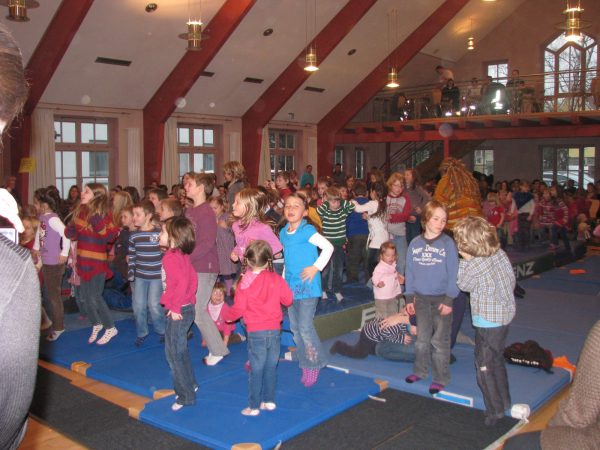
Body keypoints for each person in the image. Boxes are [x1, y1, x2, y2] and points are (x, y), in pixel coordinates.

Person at [453, 216, 516, 426]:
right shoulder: (500, 253)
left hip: (488, 321)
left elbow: (463, 284)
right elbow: (512, 280)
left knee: (484, 365)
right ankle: (504, 400)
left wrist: (463, 262)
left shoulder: (474, 265)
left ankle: (494, 410)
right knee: (496, 358)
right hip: (504, 316)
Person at [224, 240, 293, 416]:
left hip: (256, 331)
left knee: (257, 369)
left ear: (247, 260)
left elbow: (238, 309)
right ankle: (269, 401)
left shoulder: (245, 282)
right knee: (271, 366)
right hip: (274, 330)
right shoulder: (275, 279)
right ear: (268, 259)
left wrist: (228, 317)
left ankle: (253, 406)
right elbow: (288, 300)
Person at [404, 201, 459, 395]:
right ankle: (420, 370)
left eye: (444, 220)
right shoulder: (415, 243)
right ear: (425, 219)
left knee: (440, 341)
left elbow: (454, 274)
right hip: (421, 299)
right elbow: (409, 272)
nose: (440, 223)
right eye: (436, 218)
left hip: (441, 298)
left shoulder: (447, 244)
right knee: (422, 339)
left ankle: (441, 377)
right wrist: (409, 298)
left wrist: (449, 300)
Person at [280, 193, 334, 387]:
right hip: (291, 286)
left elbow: (328, 247)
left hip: (309, 287)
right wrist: (282, 281)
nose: (291, 209)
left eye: (296, 206)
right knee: (295, 328)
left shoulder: (307, 230)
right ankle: (305, 361)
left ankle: (314, 363)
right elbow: (287, 260)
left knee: (304, 327)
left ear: (304, 212)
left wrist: (315, 267)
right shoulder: (284, 232)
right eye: (287, 205)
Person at [65, 183, 120, 345]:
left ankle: (110, 327)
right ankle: (97, 323)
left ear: (96, 196)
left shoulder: (104, 214)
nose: (82, 193)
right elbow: (75, 234)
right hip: (83, 261)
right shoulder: (81, 212)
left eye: (86, 191)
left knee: (95, 296)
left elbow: (108, 237)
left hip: (97, 263)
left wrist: (95, 221)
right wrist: (71, 231)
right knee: (85, 297)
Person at [184, 172, 228, 366]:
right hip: (192, 264)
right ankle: (216, 347)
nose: (186, 187)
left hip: (205, 266)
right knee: (194, 308)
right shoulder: (190, 211)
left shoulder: (207, 212)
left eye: (190, 184)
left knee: (198, 310)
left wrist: (186, 257)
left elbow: (207, 243)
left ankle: (218, 349)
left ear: (201, 188)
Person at [158, 216, 199, 411]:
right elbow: (192, 279)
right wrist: (190, 299)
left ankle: (185, 396)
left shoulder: (170, 257)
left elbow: (182, 282)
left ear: (173, 236)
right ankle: (191, 384)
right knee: (180, 350)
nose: (159, 235)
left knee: (173, 353)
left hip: (179, 309)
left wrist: (175, 307)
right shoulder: (183, 255)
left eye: (162, 232)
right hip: (186, 307)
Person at [33, 187, 71, 341]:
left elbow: (67, 234)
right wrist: (36, 248)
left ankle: (59, 327)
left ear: (44, 204)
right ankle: (52, 323)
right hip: (46, 260)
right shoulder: (43, 218)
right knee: (49, 295)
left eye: (36, 203)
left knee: (54, 297)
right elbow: (40, 235)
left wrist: (64, 253)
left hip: (55, 263)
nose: (34, 206)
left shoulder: (53, 219)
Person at [128, 200, 165, 346]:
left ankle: (162, 330)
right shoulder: (134, 236)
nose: (134, 218)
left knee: (154, 305)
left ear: (148, 215)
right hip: (140, 277)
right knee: (138, 306)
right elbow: (132, 256)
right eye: (133, 214)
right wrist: (131, 273)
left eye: (137, 214)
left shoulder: (158, 233)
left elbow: (165, 254)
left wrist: (166, 274)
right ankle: (142, 332)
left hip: (156, 276)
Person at [317, 186, 355, 302]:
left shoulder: (342, 211)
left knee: (338, 269)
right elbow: (319, 210)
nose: (336, 204)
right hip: (326, 246)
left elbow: (351, 206)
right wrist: (327, 201)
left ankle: (337, 290)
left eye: (338, 201)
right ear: (327, 202)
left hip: (339, 245)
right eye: (333, 202)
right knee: (325, 270)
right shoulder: (326, 212)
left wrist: (339, 198)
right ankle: (323, 290)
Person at [330, 311, 416, 361]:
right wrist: (400, 338)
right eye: (415, 330)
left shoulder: (403, 322)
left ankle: (370, 349)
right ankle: (339, 346)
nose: (415, 333)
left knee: (371, 349)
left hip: (375, 332)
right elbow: (386, 333)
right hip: (368, 336)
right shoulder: (396, 325)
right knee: (360, 354)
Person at [230, 187, 283, 264]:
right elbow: (240, 245)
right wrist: (235, 252)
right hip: (246, 268)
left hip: (261, 270)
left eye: (237, 202)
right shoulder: (236, 225)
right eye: (234, 202)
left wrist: (259, 250)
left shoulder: (262, 228)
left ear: (250, 207)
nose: (233, 205)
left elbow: (277, 248)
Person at [351, 182, 390, 281]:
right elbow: (379, 221)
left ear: (373, 192)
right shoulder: (383, 204)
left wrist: (353, 201)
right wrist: (368, 218)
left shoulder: (373, 203)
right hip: (384, 238)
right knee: (380, 263)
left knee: (370, 264)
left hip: (376, 240)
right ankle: (381, 281)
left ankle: (377, 282)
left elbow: (358, 209)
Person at [209, 197, 237, 297]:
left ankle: (230, 291)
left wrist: (225, 226)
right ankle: (215, 291)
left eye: (215, 208)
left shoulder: (227, 216)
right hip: (215, 248)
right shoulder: (210, 218)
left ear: (221, 207)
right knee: (215, 271)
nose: (213, 210)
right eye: (210, 208)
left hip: (225, 248)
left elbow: (235, 230)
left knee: (226, 272)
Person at [386, 172, 411, 275]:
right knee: (386, 262)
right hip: (386, 234)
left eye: (401, 186)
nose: (398, 188)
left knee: (402, 262)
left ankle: (399, 287)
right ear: (391, 185)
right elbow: (381, 214)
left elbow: (405, 215)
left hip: (400, 234)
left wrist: (391, 217)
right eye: (396, 185)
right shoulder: (384, 198)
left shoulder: (405, 198)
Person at [372, 241, 404, 318]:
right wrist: (378, 283)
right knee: (382, 315)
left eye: (393, 255)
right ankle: (382, 328)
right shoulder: (380, 267)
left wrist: (399, 277)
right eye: (388, 255)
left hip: (391, 295)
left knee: (393, 313)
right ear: (381, 256)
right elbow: (374, 277)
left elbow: (394, 274)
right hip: (382, 297)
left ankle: (392, 326)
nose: (391, 258)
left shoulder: (392, 266)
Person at [345, 181, 369, 283]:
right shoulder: (370, 203)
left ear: (353, 193)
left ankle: (352, 280)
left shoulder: (351, 204)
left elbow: (347, 219)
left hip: (353, 233)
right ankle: (368, 279)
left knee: (353, 259)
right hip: (366, 233)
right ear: (366, 193)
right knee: (366, 258)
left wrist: (345, 234)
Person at [207, 282, 241, 347]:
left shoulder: (225, 308)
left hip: (226, 330)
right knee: (211, 339)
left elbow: (227, 326)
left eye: (221, 293)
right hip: (215, 329)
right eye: (215, 293)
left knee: (218, 341)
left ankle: (237, 337)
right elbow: (206, 323)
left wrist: (225, 342)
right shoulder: (207, 306)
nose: (218, 296)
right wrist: (205, 339)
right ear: (209, 294)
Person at [404, 168, 430, 245]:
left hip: (415, 215)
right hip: (406, 215)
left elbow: (427, 197)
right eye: (405, 174)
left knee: (414, 237)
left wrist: (421, 208)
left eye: (408, 175)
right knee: (407, 237)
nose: (405, 176)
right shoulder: (404, 187)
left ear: (413, 177)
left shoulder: (416, 187)